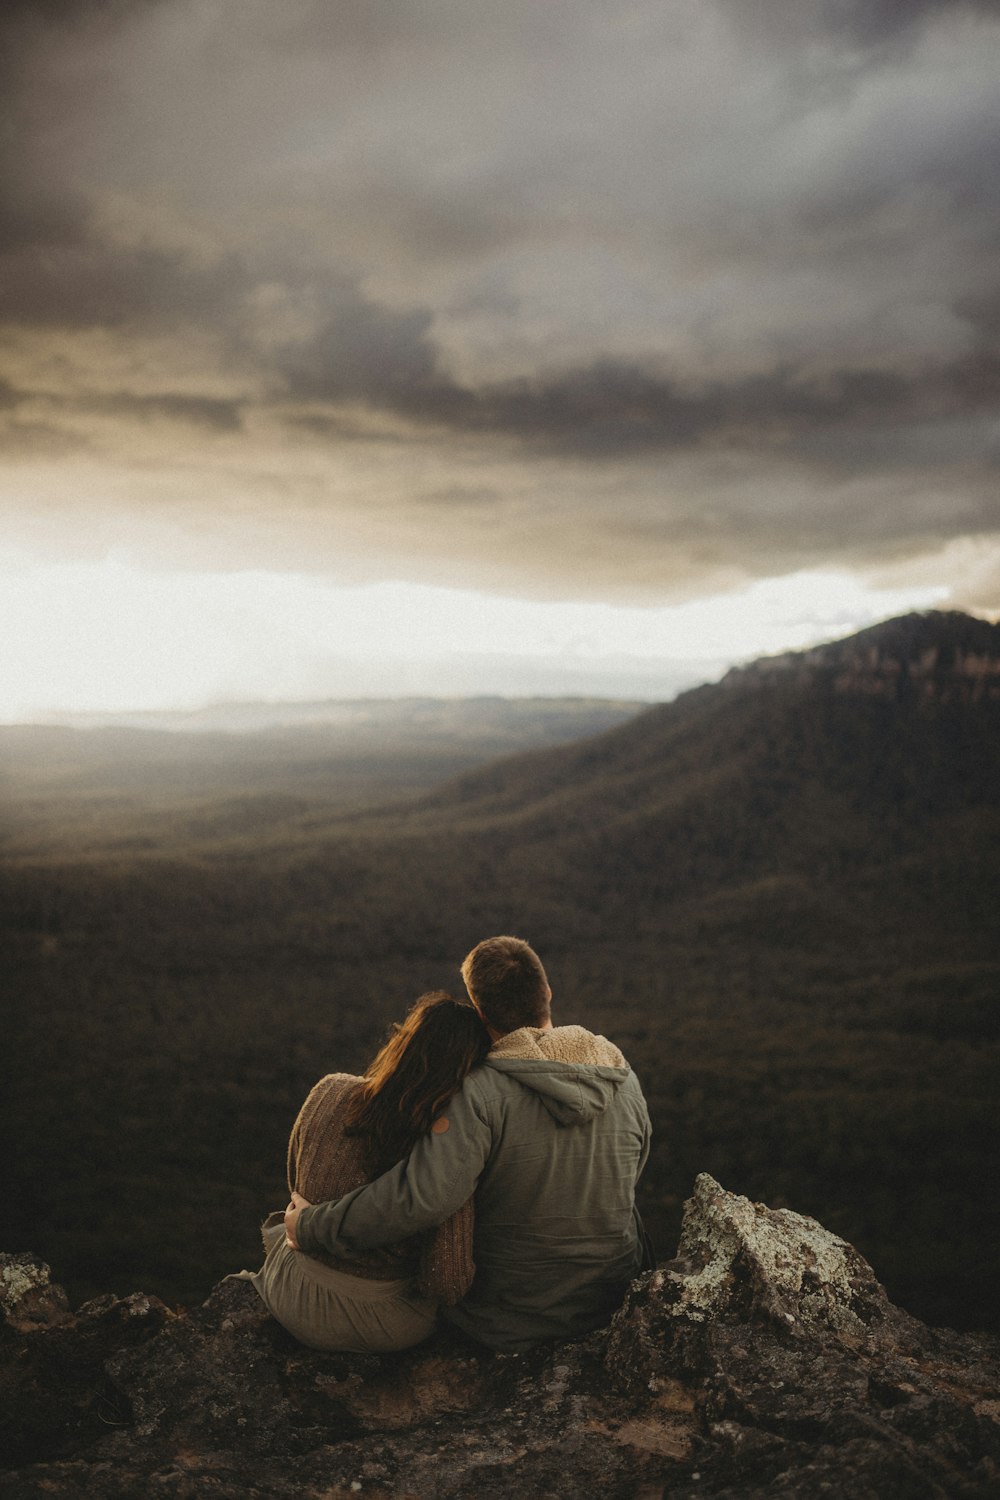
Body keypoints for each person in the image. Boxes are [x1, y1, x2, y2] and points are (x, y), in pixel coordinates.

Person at [285, 936, 652, 1353]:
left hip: (509, 1321)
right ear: (547, 993)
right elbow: (631, 1175)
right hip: (611, 1304)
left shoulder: (478, 1093)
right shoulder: (622, 1077)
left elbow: (420, 1199)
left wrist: (312, 1226)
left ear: (478, 1011)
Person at [249, 990, 490, 1352]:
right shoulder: (442, 1153)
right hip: (375, 1321)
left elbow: (296, 1184)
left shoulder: (328, 1090)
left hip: (291, 1288)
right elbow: (446, 1282)